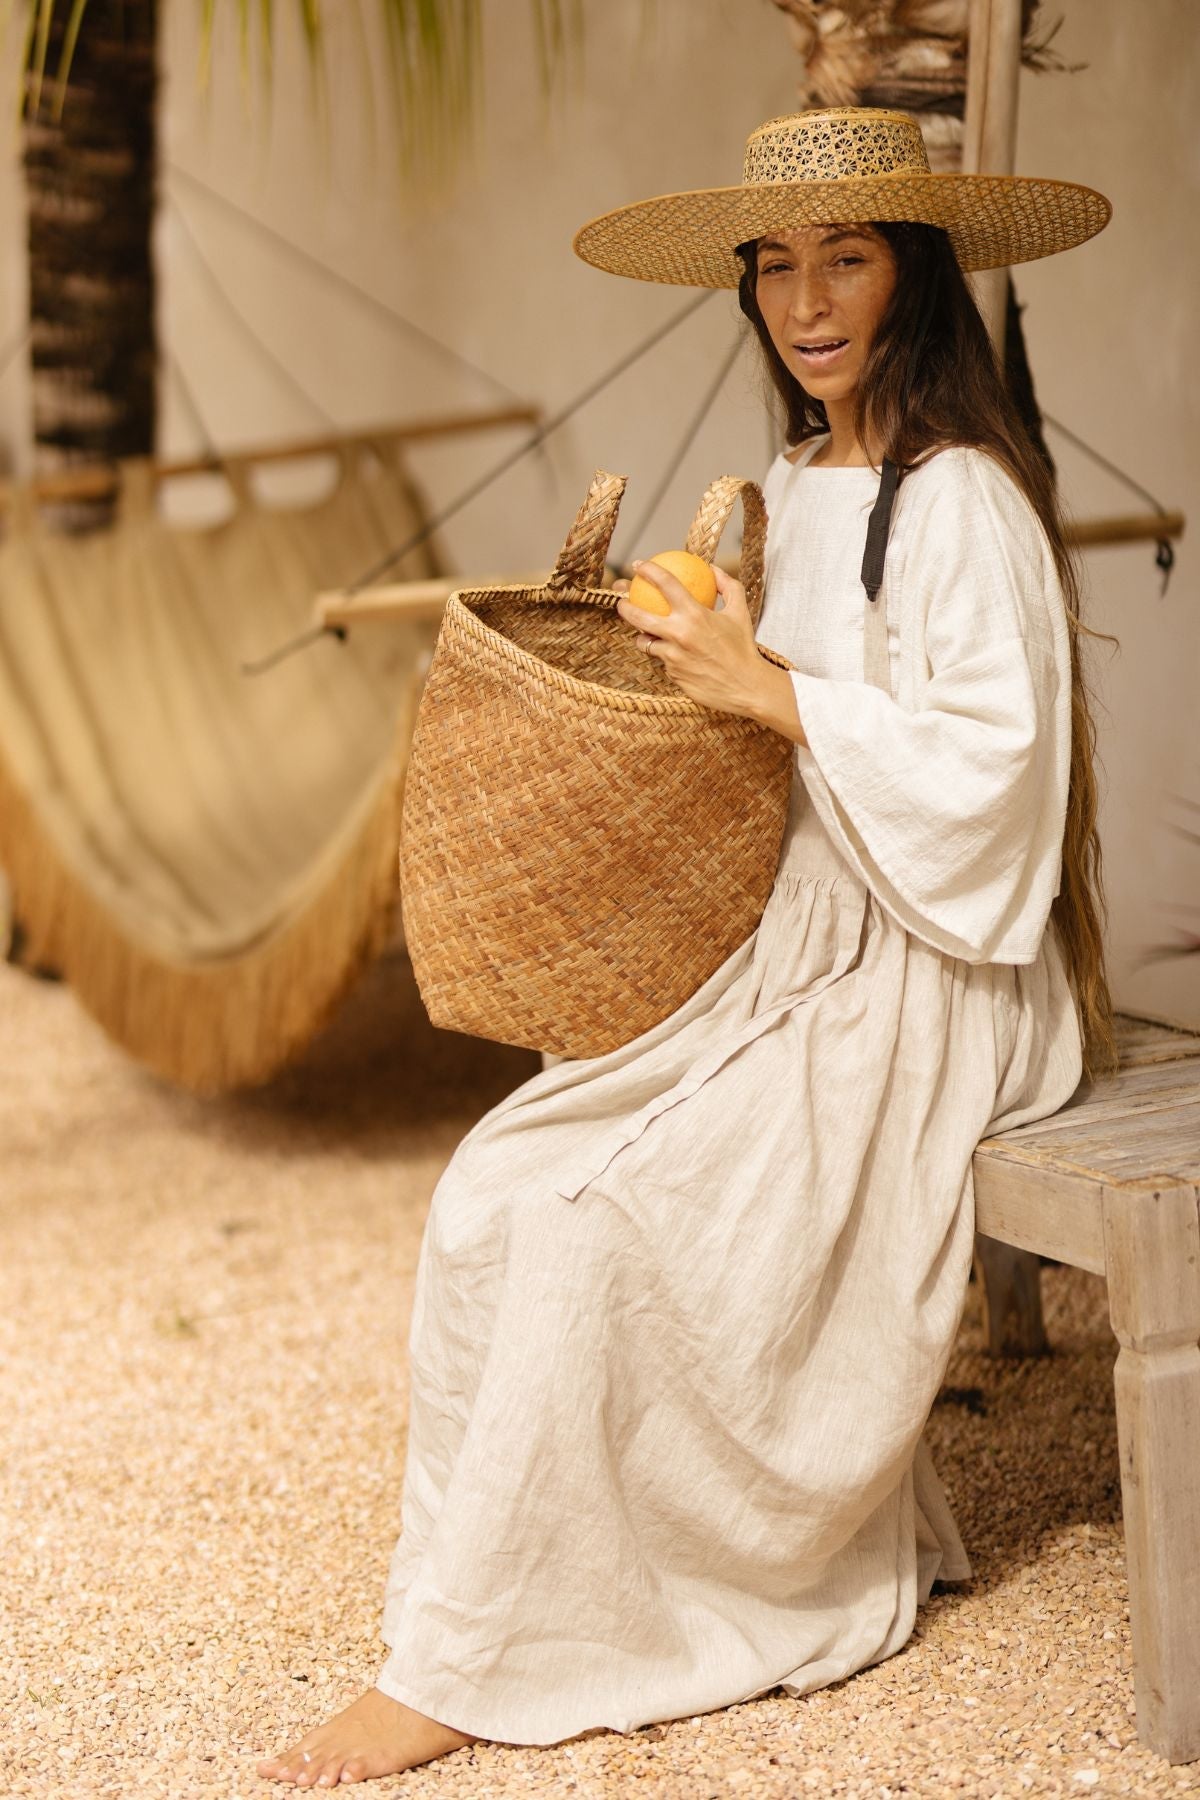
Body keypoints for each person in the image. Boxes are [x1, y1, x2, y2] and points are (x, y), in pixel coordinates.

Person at [257, 105, 1114, 1787]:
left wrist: (771, 689)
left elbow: (997, 790)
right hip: (805, 937)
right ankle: (478, 1605)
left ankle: (500, 1658)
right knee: (499, 1190)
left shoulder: (972, 505)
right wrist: (706, 640)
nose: (808, 302)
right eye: (779, 266)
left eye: (848, 259)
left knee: (601, 1226)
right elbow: (768, 738)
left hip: (940, 970)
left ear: (916, 276)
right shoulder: (802, 479)